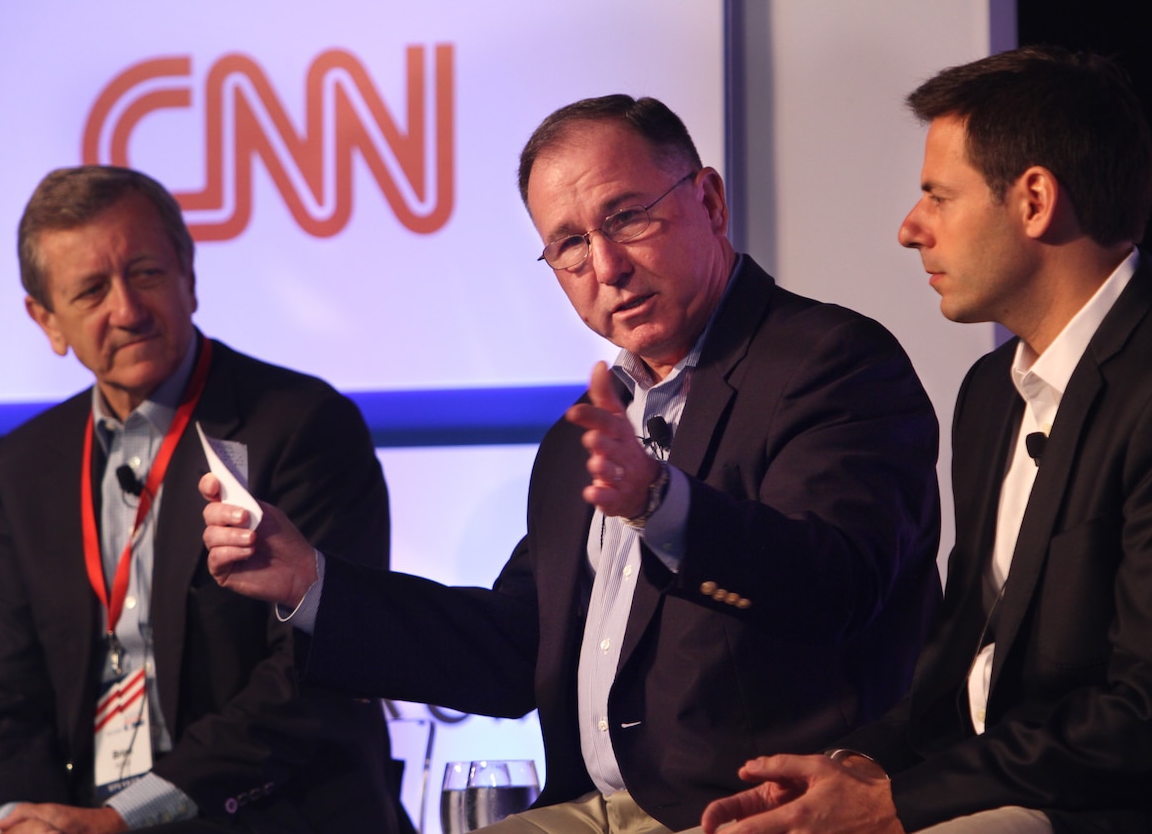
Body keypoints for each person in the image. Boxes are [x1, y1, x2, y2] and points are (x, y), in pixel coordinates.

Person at [202, 95, 942, 834]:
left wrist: (662, 503)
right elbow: (511, 645)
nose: (608, 266)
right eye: (570, 245)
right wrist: (312, 582)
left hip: (746, 805)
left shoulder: (828, 362)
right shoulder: (582, 435)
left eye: (627, 218)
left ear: (710, 200)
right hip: (583, 807)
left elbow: (840, 582)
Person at [700, 47, 1152, 834]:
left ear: (1033, 201)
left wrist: (898, 801)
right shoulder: (989, 394)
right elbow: (960, 671)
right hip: (984, 793)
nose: (908, 228)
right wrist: (855, 767)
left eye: (938, 195)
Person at [0, 166, 409, 834]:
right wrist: (15, 818)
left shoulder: (300, 425)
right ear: (47, 320)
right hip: (85, 809)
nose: (128, 310)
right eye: (90, 291)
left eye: (144, 274)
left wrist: (122, 817)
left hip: (249, 803)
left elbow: (310, 677)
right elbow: (4, 693)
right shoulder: (24, 464)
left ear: (188, 277)